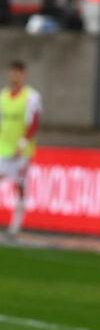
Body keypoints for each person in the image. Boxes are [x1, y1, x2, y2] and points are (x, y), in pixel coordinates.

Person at [0, 61, 41, 237]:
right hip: (3, 147)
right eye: (13, 72)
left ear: (24, 75)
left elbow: (34, 121)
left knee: (20, 185)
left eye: (18, 73)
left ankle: (15, 225)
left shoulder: (31, 96)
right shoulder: (3, 96)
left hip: (21, 150)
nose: (15, 76)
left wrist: (23, 143)